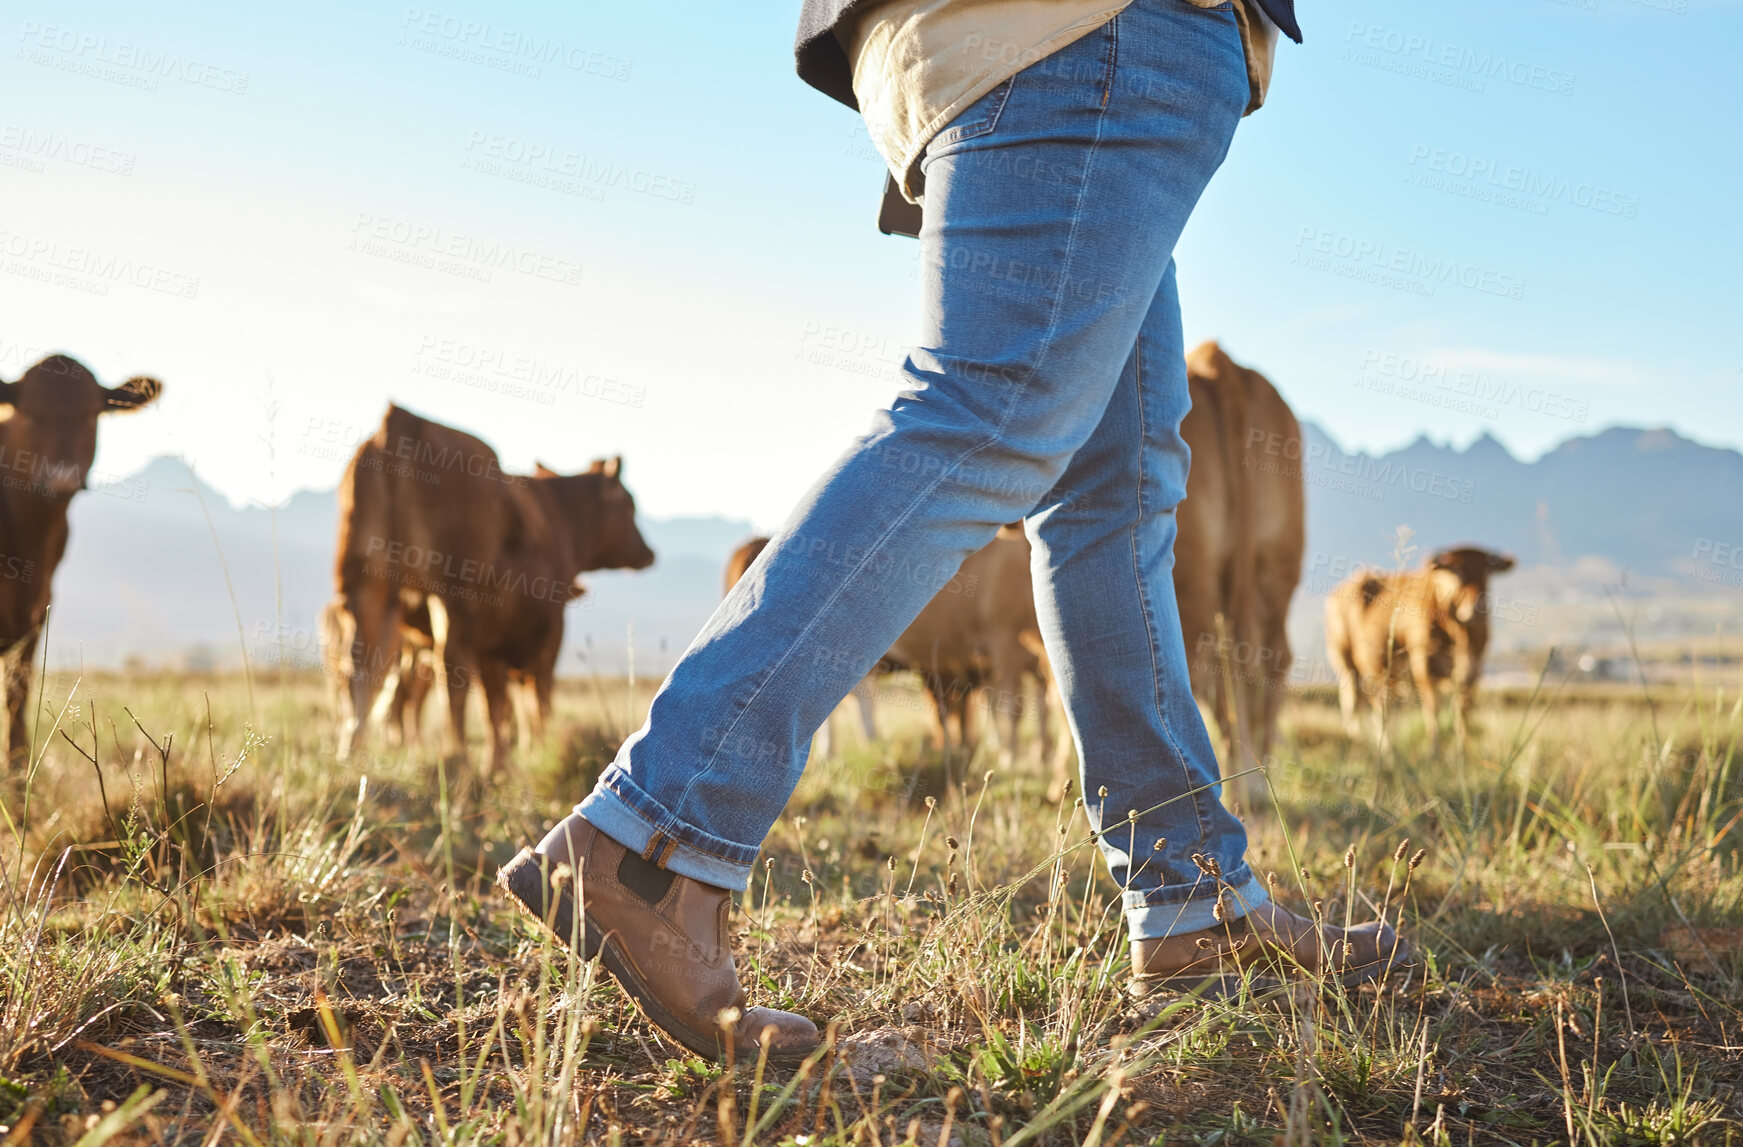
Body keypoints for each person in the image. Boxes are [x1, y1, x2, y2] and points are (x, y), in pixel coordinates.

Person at [499, 0, 1412, 1065]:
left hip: (1045, 41)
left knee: (1112, 490)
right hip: (1089, 31)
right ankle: (651, 841)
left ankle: (1190, 895)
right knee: (988, 412)